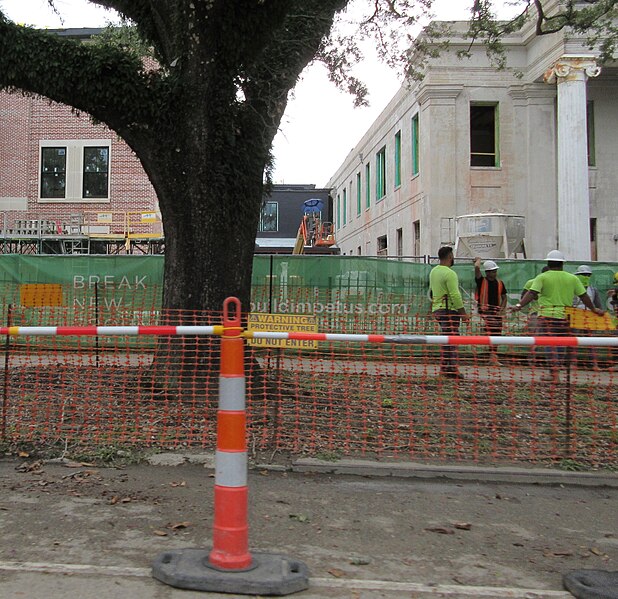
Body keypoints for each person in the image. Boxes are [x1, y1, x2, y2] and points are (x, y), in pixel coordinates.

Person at [512, 250, 604, 382]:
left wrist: (518, 306)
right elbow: (583, 296)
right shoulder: (572, 278)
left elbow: (532, 293)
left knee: (550, 343)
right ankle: (556, 371)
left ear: (548, 263)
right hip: (565, 316)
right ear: (562, 264)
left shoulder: (542, 277)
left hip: (546, 316)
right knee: (561, 343)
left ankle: (553, 373)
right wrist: (594, 309)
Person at [429, 246, 469, 379]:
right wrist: (463, 313)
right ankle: (452, 369)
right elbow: (455, 294)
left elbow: (431, 291)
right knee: (452, 339)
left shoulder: (434, 271)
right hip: (448, 310)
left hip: (437, 309)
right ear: (450, 257)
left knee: (446, 338)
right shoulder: (450, 273)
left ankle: (445, 368)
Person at [474, 257, 507, 365]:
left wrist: (501, 309)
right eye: (493, 271)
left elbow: (504, 297)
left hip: (496, 313)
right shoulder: (481, 281)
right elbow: (476, 268)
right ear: (487, 272)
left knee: (496, 334)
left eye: (495, 271)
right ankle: (492, 357)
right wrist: (478, 260)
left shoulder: (500, 283)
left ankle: (493, 357)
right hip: (485, 312)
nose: (495, 273)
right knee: (493, 330)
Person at [571, 264, 603, 370]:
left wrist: (600, 311)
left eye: (588, 275)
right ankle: (572, 364)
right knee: (573, 341)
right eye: (583, 274)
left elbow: (598, 304)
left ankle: (594, 364)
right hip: (576, 316)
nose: (586, 277)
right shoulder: (572, 288)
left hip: (589, 316)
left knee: (591, 341)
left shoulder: (593, 289)